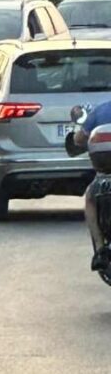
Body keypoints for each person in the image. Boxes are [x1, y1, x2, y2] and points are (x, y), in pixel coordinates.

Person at [74, 101, 111, 270]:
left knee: (90, 198)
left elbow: (79, 139)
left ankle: (100, 249)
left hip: (104, 172)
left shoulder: (99, 111)